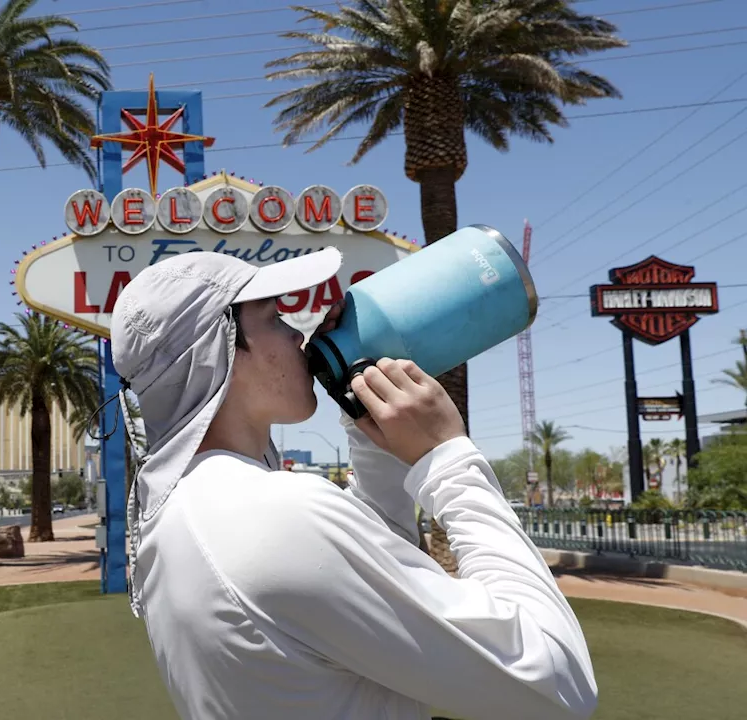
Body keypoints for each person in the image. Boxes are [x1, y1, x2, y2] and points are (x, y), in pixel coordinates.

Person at [107, 250, 596, 720]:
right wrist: (447, 457)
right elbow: (558, 680)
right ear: (223, 347)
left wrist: (362, 418)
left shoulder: (181, 510)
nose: (299, 337)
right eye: (275, 319)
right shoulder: (273, 513)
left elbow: (372, 569)